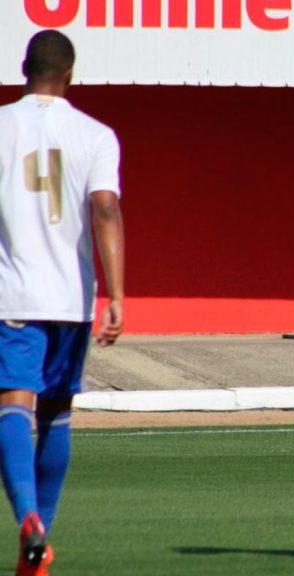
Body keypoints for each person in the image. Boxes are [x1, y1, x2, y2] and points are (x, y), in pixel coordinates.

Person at [0, 30, 125, 575]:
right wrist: (117, 294)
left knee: (12, 405)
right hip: (72, 298)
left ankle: (28, 518)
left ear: (23, 68)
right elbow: (104, 208)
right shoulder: (96, 135)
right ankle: (41, 538)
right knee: (56, 413)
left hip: (13, 293)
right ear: (70, 74)